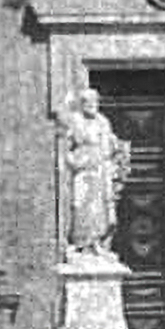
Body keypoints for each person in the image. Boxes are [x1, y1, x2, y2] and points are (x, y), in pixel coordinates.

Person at [58, 84, 131, 254]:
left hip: (100, 171)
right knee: (81, 206)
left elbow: (111, 147)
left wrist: (115, 160)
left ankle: (96, 242)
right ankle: (81, 243)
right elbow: (65, 149)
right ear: (81, 104)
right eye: (87, 101)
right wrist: (74, 163)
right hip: (83, 173)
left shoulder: (103, 122)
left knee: (99, 209)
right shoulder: (75, 121)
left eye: (94, 101)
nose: (91, 105)